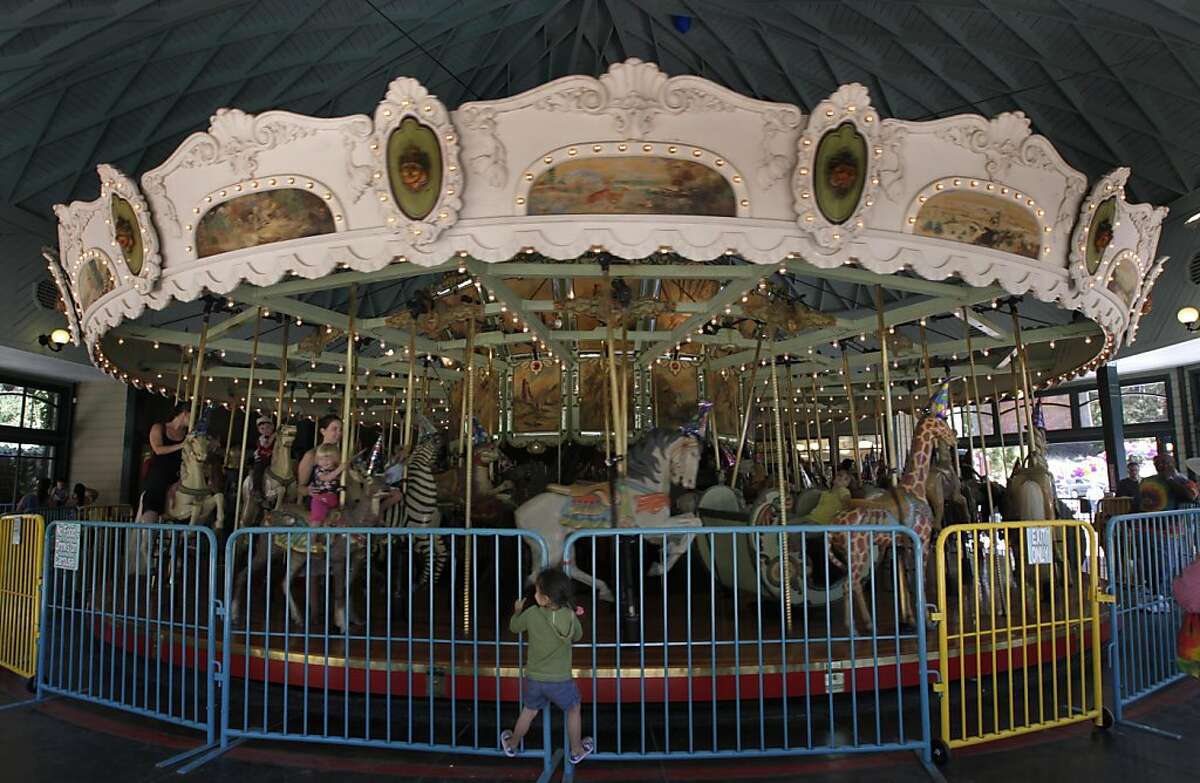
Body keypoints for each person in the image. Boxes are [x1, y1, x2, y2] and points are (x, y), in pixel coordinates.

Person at [501, 567, 593, 764]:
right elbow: (578, 636)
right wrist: (574, 616)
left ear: (547, 598)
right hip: (560, 679)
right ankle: (576, 750)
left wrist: (517, 612)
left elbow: (514, 627)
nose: (534, 595)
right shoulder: (569, 615)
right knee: (573, 709)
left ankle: (512, 744)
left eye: (537, 591)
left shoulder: (532, 613)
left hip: (535, 677)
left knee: (529, 711)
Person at [140, 402, 190, 522]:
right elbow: (158, 449)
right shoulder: (159, 428)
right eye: (192, 415)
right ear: (184, 413)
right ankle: (148, 523)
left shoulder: (187, 434)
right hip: (160, 473)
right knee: (155, 496)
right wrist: (181, 445)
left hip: (178, 474)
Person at [297, 414, 343, 507]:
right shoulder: (312, 455)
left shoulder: (342, 454)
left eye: (340, 429)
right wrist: (308, 491)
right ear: (323, 431)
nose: (339, 433)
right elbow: (300, 487)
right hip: (318, 501)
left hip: (337, 499)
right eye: (334, 429)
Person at [308, 443, 345, 525]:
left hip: (334, 500)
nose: (324, 462)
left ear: (335, 458)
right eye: (321, 459)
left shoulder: (336, 469)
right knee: (317, 520)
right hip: (320, 499)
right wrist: (339, 470)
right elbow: (326, 478)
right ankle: (312, 536)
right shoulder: (319, 470)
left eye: (328, 458)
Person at [249, 416, 276, 499]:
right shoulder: (262, 438)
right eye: (262, 428)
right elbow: (267, 445)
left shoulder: (276, 439)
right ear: (259, 430)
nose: (265, 430)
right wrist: (274, 436)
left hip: (273, 459)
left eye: (268, 428)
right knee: (259, 468)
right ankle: (256, 489)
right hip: (262, 458)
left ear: (272, 428)